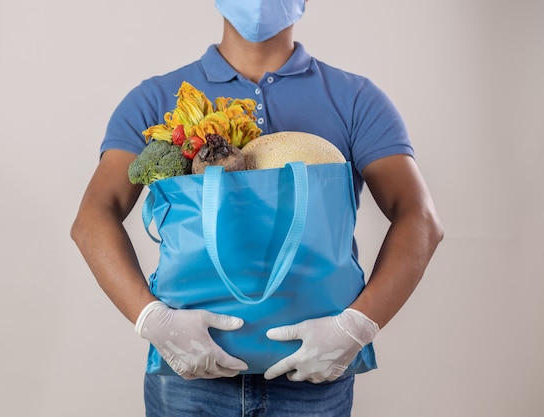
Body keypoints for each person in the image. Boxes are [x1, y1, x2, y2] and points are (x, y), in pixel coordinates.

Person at [71, 1, 444, 415]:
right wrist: (152, 320)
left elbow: (420, 220)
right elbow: (92, 218)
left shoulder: (356, 99)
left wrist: (355, 327)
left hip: (313, 375)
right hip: (192, 381)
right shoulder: (159, 99)